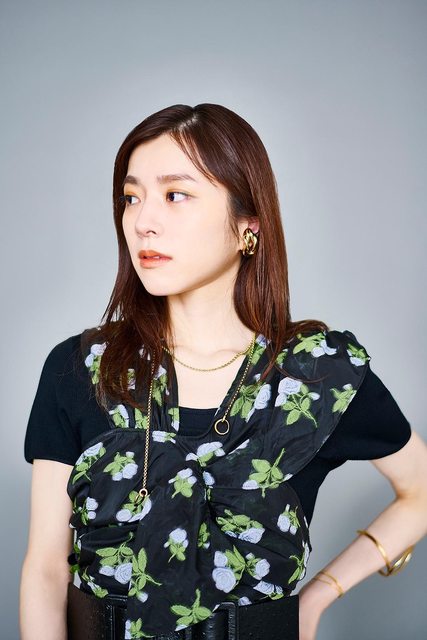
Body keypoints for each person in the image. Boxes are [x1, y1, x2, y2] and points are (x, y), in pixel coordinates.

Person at [19, 103, 427, 640]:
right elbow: (46, 569)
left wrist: (319, 596)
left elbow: (420, 490)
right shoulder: (82, 368)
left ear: (246, 226)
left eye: (175, 195)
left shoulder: (316, 377)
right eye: (131, 197)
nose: (142, 221)